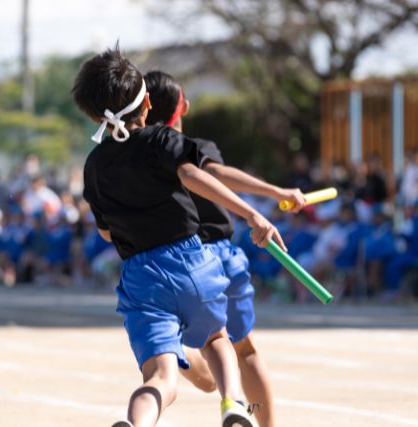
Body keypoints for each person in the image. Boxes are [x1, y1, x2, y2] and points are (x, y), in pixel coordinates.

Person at [72, 45, 287, 427]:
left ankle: (139, 424)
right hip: (192, 261)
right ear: (146, 104)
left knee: (159, 378)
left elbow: (106, 232)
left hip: (140, 276)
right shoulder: (160, 141)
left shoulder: (94, 166)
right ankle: (233, 403)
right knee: (217, 337)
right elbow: (194, 175)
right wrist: (253, 213)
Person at [144, 70, 306, 427]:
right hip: (218, 257)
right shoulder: (195, 149)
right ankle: (264, 424)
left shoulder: (138, 161)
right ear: (182, 105)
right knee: (242, 351)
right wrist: (276, 193)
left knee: (210, 373)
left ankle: (182, 353)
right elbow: (218, 174)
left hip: (175, 263)